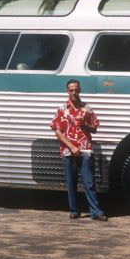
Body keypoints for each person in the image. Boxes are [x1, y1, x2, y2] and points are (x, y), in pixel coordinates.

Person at [50, 79, 107, 221]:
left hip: (85, 150)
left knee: (89, 182)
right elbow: (57, 131)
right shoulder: (62, 109)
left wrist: (85, 123)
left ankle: (96, 212)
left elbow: (94, 129)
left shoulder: (87, 108)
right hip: (68, 150)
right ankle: (74, 210)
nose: (74, 92)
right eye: (71, 90)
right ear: (67, 91)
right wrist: (71, 146)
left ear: (80, 90)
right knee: (71, 182)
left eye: (76, 90)